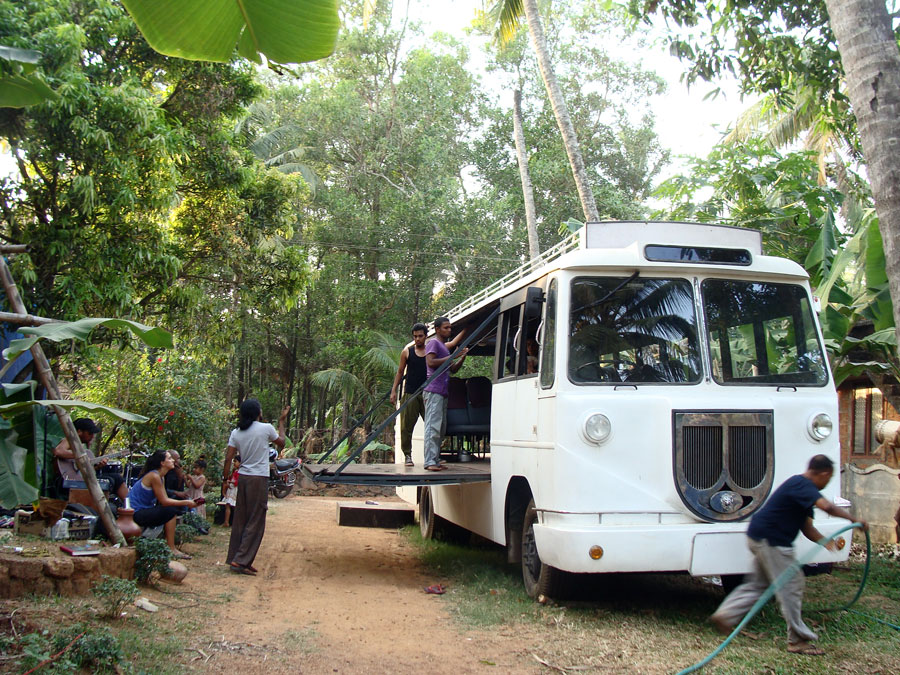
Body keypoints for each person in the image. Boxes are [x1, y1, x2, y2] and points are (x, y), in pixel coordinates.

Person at [710, 454, 867, 656]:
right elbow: (827, 506)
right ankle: (797, 640)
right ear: (824, 474)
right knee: (792, 583)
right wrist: (855, 519)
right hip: (773, 541)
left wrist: (826, 542)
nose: (827, 484)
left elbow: (807, 528)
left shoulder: (802, 490)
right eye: (828, 479)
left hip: (759, 536)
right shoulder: (803, 485)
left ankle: (726, 615)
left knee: (759, 584)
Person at [223, 399, 288, 575]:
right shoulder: (265, 428)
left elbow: (229, 458)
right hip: (258, 478)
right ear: (258, 412)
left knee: (241, 519)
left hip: (243, 477)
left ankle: (237, 557)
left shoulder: (236, 432)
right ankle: (241, 560)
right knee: (256, 519)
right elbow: (281, 443)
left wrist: (225, 478)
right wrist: (281, 422)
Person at [127, 450, 197, 559]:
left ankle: (169, 546)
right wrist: (187, 502)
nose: (173, 460)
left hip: (144, 510)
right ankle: (171, 548)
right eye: (169, 458)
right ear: (162, 463)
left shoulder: (160, 476)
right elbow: (164, 501)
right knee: (170, 511)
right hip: (136, 513)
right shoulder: (154, 476)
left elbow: (164, 499)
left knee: (170, 510)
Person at [423, 317, 467, 471]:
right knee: (432, 427)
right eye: (446, 328)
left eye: (450, 328)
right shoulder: (433, 343)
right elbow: (430, 362)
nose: (449, 330)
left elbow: (452, 369)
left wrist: (461, 358)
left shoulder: (443, 346)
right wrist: (453, 356)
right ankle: (429, 461)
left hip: (442, 391)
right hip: (433, 390)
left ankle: (435, 459)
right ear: (437, 329)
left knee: (441, 428)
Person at [53, 418, 128, 503]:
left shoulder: (82, 446)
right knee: (112, 479)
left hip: (80, 478)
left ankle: (130, 507)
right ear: (79, 431)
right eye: (90, 433)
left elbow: (82, 472)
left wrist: (98, 466)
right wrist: (80, 456)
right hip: (67, 482)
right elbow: (58, 451)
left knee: (116, 478)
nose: (92, 436)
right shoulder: (71, 439)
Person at [390, 323, 429, 467]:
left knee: (432, 424)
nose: (418, 339)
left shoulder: (431, 350)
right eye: (415, 336)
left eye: (420, 336)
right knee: (406, 426)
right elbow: (400, 372)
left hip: (428, 393)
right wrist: (394, 390)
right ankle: (407, 455)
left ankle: (433, 455)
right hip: (410, 392)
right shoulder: (407, 352)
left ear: (425, 336)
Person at [220, 457, 240, 527]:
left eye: (235, 461)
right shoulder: (235, 471)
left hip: (234, 490)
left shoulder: (239, 472)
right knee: (229, 505)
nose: (234, 463)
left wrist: (230, 482)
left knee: (231, 505)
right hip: (231, 489)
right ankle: (227, 522)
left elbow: (237, 482)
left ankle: (228, 522)